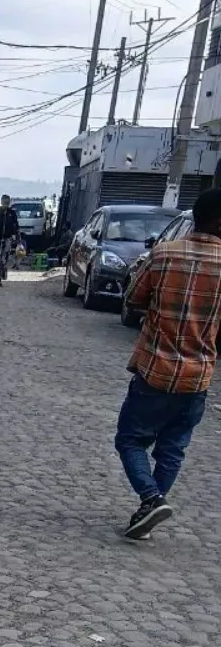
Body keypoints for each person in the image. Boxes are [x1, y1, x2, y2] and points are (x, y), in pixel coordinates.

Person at [113, 186, 221, 540]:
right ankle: (149, 511)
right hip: (198, 376)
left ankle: (151, 498)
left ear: (196, 218)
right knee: (173, 448)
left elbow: (133, 297)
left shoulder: (164, 255)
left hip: (155, 369)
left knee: (130, 439)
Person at [0, 194, 20, 285]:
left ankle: (0, 279)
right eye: (4, 202)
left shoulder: (12, 213)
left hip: (8, 238)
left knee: (4, 259)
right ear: (1, 202)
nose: (5, 204)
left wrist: (16, 236)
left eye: (7, 202)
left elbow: (15, 225)